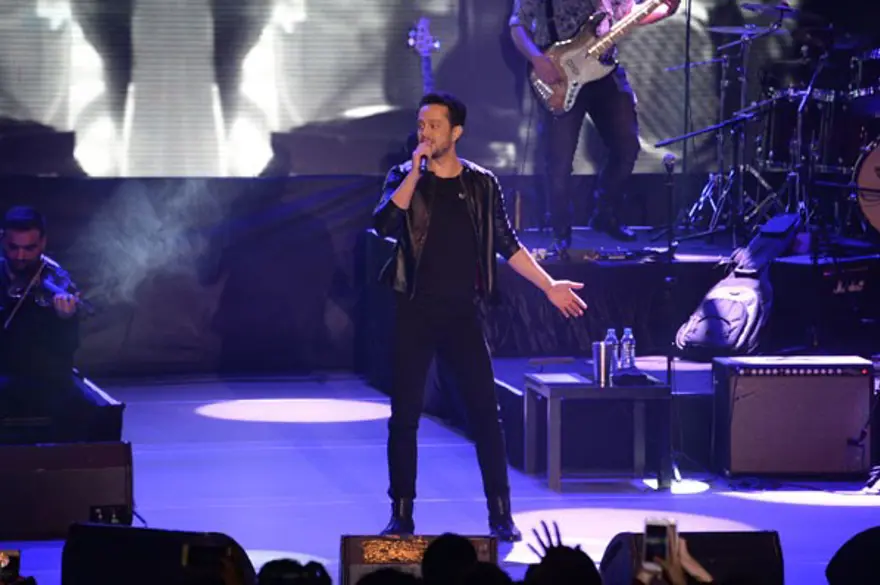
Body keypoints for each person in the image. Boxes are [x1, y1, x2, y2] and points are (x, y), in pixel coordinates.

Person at [372, 91, 587, 542]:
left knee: (486, 416)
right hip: (414, 309)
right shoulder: (404, 176)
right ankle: (402, 514)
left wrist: (549, 285)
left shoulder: (481, 184)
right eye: (421, 124)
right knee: (404, 416)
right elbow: (384, 225)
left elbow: (507, 243)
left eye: (434, 125)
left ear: (456, 132)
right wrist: (414, 174)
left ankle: (501, 514)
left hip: (462, 313)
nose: (425, 133)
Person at [509, 0, 680, 254]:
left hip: (604, 71)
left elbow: (629, 15)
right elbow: (517, 24)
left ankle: (605, 213)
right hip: (560, 74)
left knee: (627, 146)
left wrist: (666, 8)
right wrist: (537, 59)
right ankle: (560, 231)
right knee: (559, 163)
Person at [0, 206, 81, 421]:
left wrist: (65, 321)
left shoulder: (57, 281)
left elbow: (68, 349)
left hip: (41, 380)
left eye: (30, 248)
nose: (20, 256)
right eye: (13, 247)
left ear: (43, 243)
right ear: (2, 239)